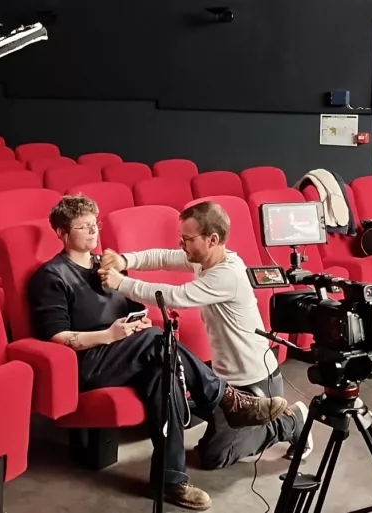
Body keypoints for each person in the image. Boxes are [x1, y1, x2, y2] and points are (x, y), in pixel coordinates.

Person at [28, 195, 288, 511]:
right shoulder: (51, 276)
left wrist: (136, 320)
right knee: (156, 339)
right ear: (61, 233)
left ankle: (170, 479)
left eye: (95, 224)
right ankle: (225, 398)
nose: (93, 231)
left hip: (124, 355)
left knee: (164, 371)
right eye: (83, 227)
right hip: (87, 364)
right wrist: (109, 335)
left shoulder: (104, 268)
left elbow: (136, 304)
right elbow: (57, 337)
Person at [98, 201, 312, 471]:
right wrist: (126, 260)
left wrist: (121, 282)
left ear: (212, 239)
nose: (181, 244)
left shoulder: (227, 275)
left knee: (213, 457)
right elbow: (163, 257)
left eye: (187, 239)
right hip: (225, 379)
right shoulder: (204, 260)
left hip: (255, 384)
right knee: (185, 398)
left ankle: (291, 421)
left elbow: (174, 296)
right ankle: (226, 420)